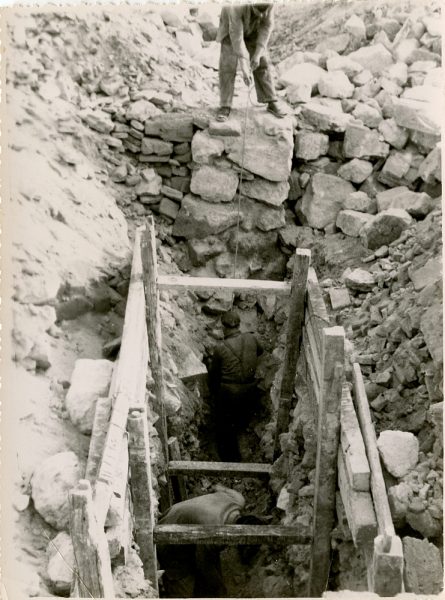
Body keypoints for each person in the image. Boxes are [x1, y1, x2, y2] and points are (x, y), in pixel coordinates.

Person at [157, 485, 260, 598]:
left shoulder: (238, 499)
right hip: (168, 536)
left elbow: (217, 487)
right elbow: (204, 565)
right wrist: (220, 589)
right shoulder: (214, 532)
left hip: (175, 513)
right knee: (183, 586)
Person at [208, 309, 263, 461]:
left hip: (230, 393)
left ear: (224, 327)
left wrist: (213, 395)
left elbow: (214, 375)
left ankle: (229, 459)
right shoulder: (252, 338)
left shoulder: (221, 348)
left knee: (224, 427)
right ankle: (246, 448)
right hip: (250, 390)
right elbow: (260, 351)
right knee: (241, 422)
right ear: (239, 325)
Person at [216, 3, 287, 121]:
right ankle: (225, 105)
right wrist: (244, 65)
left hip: (253, 29)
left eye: (264, 12)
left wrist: (257, 55)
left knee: (263, 62)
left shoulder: (269, 4)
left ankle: (271, 100)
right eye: (259, 11)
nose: (262, 14)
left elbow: (266, 27)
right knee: (227, 64)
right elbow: (236, 37)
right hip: (231, 28)